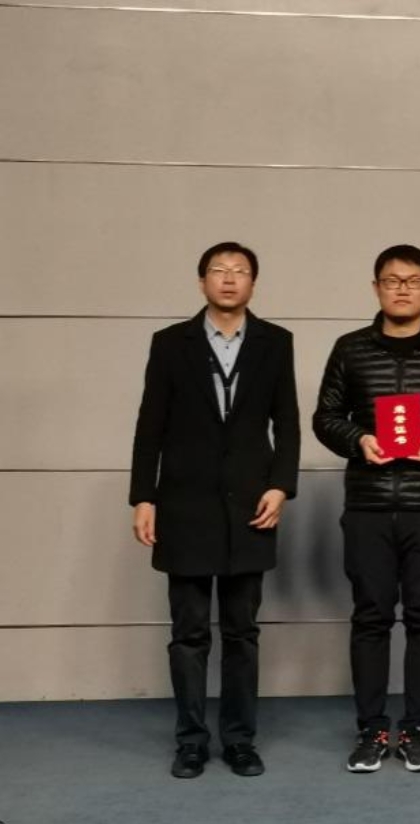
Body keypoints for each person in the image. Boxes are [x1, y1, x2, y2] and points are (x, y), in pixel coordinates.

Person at [312, 244, 420, 774]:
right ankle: (371, 730)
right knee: (370, 616)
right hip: (367, 504)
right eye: (392, 281)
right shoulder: (350, 349)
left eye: (413, 281)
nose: (402, 289)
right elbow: (325, 416)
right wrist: (358, 440)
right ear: (376, 288)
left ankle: (414, 730)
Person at [129, 241, 301, 779]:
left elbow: (287, 422)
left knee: (242, 632)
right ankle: (191, 742)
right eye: (218, 270)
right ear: (202, 281)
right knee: (188, 634)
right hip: (184, 505)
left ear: (253, 282)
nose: (229, 278)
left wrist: (281, 486)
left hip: (251, 505)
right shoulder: (170, 343)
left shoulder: (276, 342)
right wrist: (143, 496)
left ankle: (240, 740)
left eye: (240, 271)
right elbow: (150, 425)